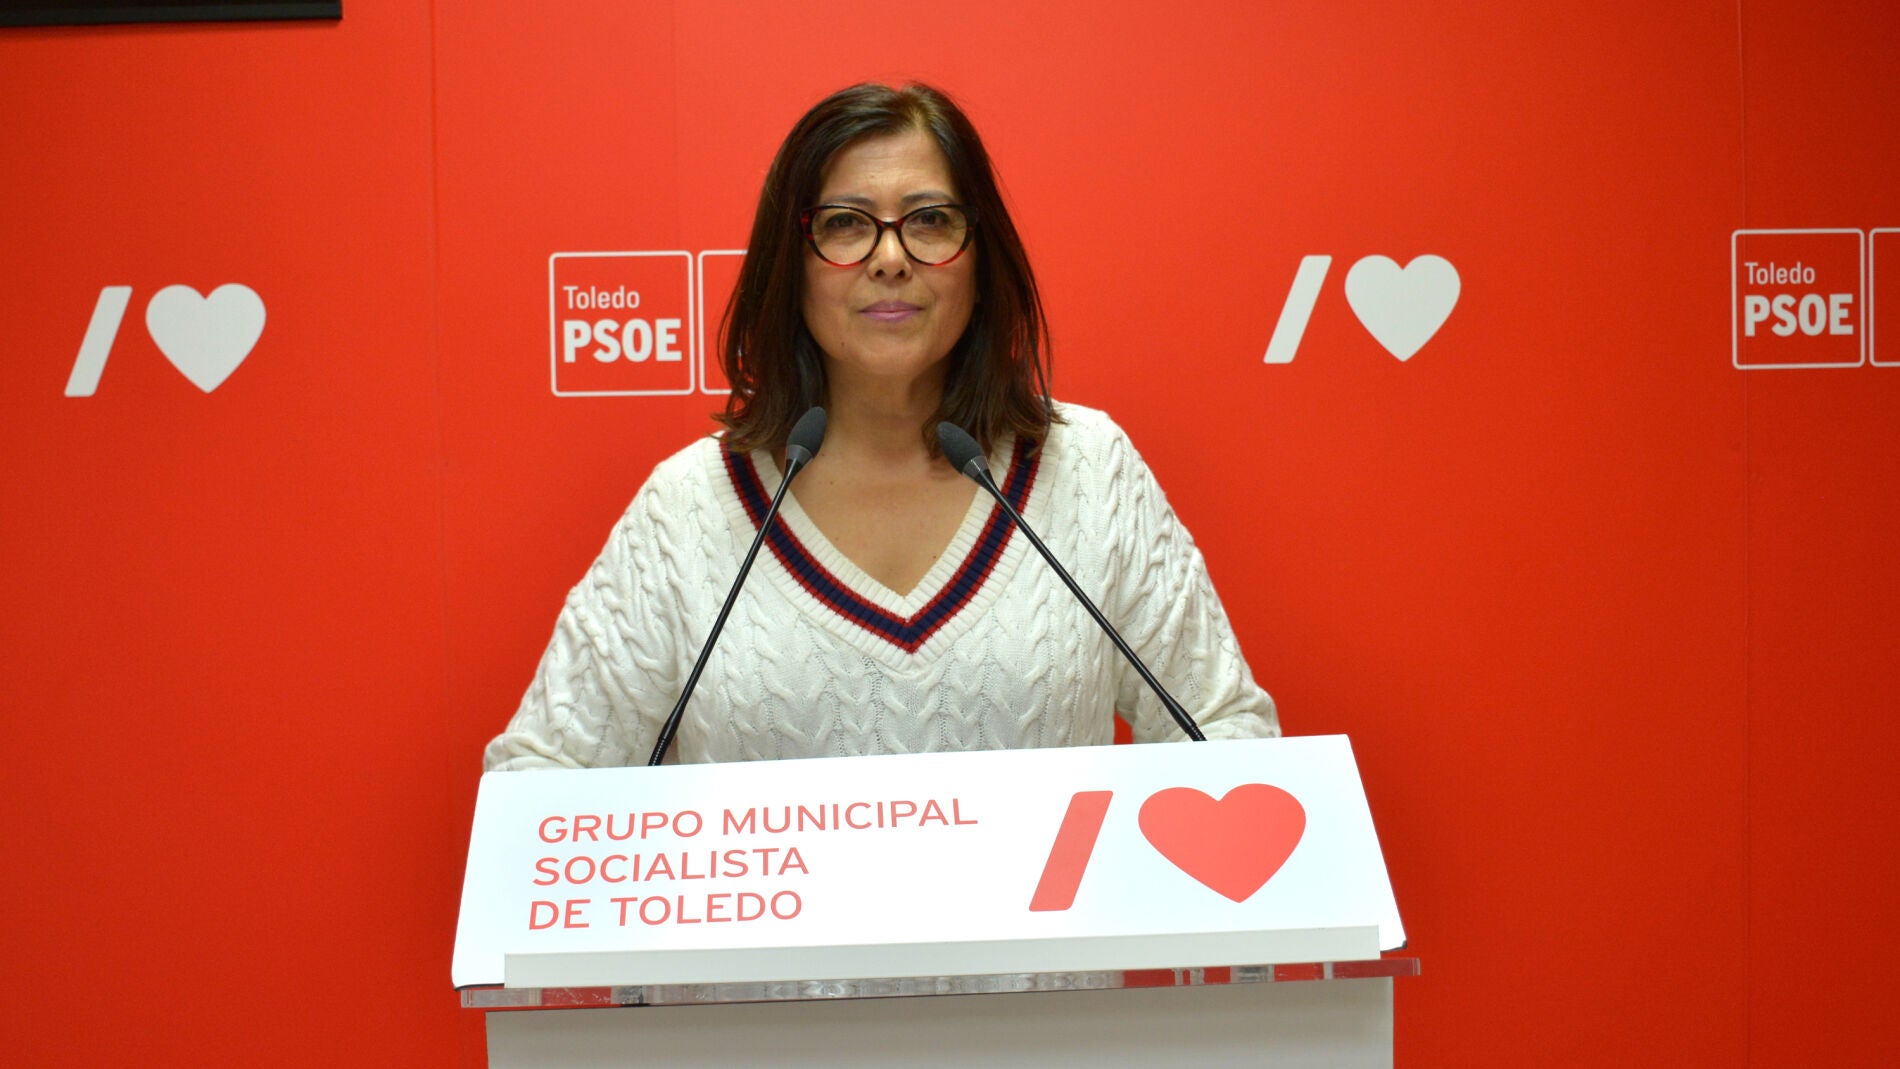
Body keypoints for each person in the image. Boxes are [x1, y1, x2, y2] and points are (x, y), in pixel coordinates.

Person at [483, 83, 1276, 770]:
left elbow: (1224, 728)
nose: (890, 257)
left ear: (981, 260)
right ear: (790, 265)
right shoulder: (688, 507)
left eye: (929, 220)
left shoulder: (1089, 469)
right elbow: (540, 776)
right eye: (845, 223)